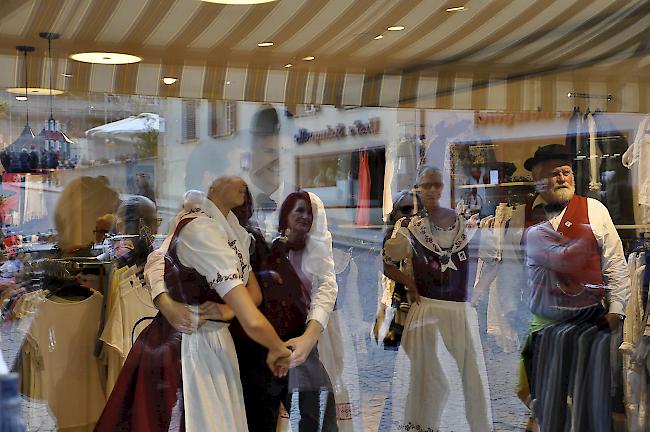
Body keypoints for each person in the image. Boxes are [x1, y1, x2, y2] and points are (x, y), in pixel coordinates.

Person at [95, 176, 291, 432]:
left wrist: (227, 309)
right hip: (188, 343)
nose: (242, 183)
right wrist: (166, 304)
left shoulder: (234, 231)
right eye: (232, 176)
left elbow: (251, 291)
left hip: (217, 339)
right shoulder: (200, 229)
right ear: (213, 184)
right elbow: (156, 261)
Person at [518, 144, 631, 430]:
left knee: (590, 404)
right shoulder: (523, 216)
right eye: (554, 174)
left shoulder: (594, 210)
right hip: (542, 324)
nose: (562, 179)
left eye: (566, 172)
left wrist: (616, 311)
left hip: (589, 321)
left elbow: (615, 265)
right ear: (538, 180)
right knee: (546, 403)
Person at [382, 166, 492, 431]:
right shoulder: (411, 228)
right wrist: (409, 283)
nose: (432, 191)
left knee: (466, 381)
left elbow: (493, 262)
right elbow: (387, 263)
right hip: (427, 313)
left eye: (438, 185)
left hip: (460, 315)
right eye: (427, 186)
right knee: (427, 380)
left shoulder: (471, 227)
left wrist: (474, 295)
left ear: (449, 189)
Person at [257, 190, 338, 431]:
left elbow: (326, 288)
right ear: (286, 215)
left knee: (314, 415)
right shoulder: (270, 248)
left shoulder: (317, 250)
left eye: (310, 213)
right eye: (299, 210)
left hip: (304, 340)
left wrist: (308, 338)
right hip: (267, 342)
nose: (305, 217)